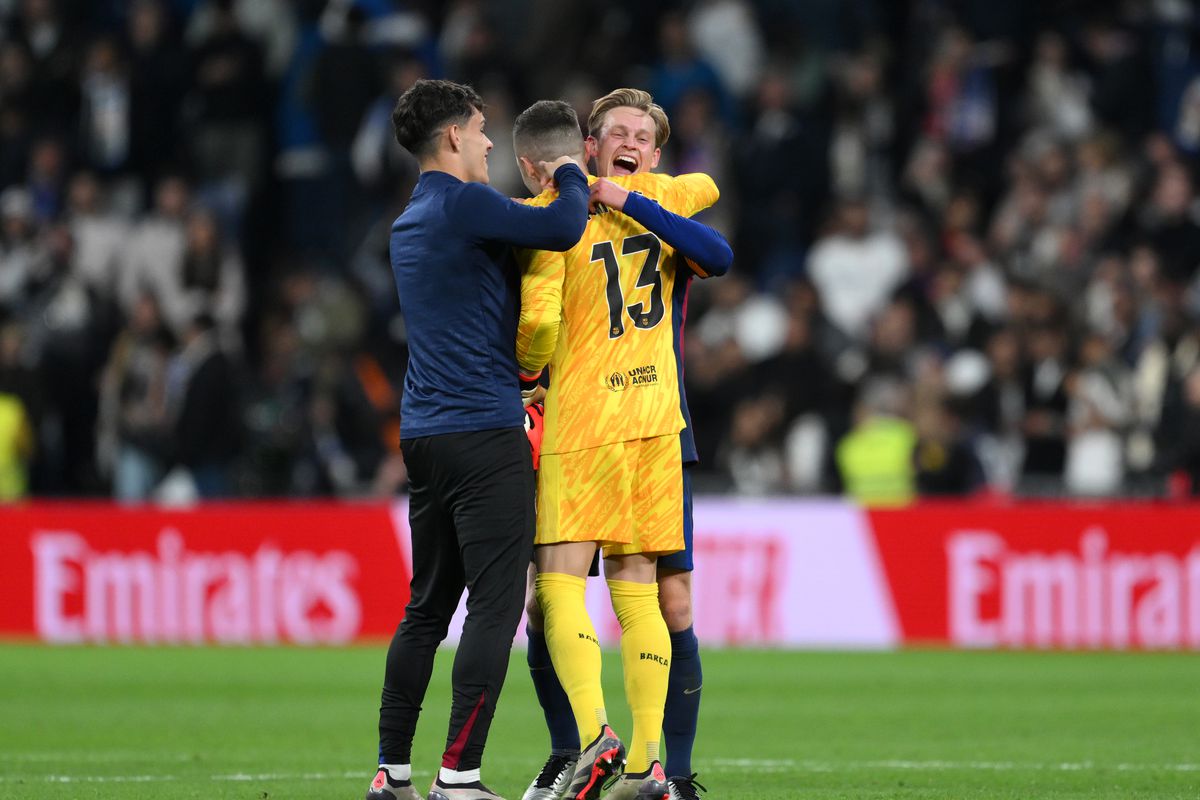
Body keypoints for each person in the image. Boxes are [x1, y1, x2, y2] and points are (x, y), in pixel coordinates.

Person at [364, 79, 589, 800]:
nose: (492, 141)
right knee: (495, 606)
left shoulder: (411, 219)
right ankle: (458, 777)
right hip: (485, 433)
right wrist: (570, 172)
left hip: (425, 435)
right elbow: (561, 228)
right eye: (483, 128)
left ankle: (391, 772)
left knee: (425, 608)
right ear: (454, 137)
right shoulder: (466, 203)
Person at [511, 90, 730, 800]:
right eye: (619, 132)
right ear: (590, 146)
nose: (632, 141)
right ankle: (630, 764)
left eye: (645, 134)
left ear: (652, 153)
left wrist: (524, 377)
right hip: (656, 420)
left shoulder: (561, 215)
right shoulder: (667, 198)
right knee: (631, 595)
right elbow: (709, 189)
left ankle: (630, 753)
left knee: (568, 586)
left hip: (588, 423)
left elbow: (538, 329)